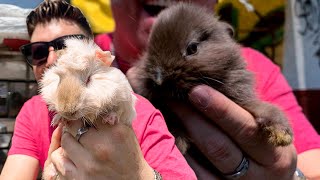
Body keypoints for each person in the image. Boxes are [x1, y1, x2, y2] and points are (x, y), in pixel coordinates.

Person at [95, 0, 320, 179]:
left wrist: (291, 175)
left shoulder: (259, 69)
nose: (160, 76)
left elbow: (314, 162)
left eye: (191, 49)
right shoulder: (75, 58)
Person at [0, 1, 196, 179]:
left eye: (64, 46)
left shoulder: (142, 112)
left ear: (96, 55)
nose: (52, 60)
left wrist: (137, 174)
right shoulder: (32, 111)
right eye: (38, 52)